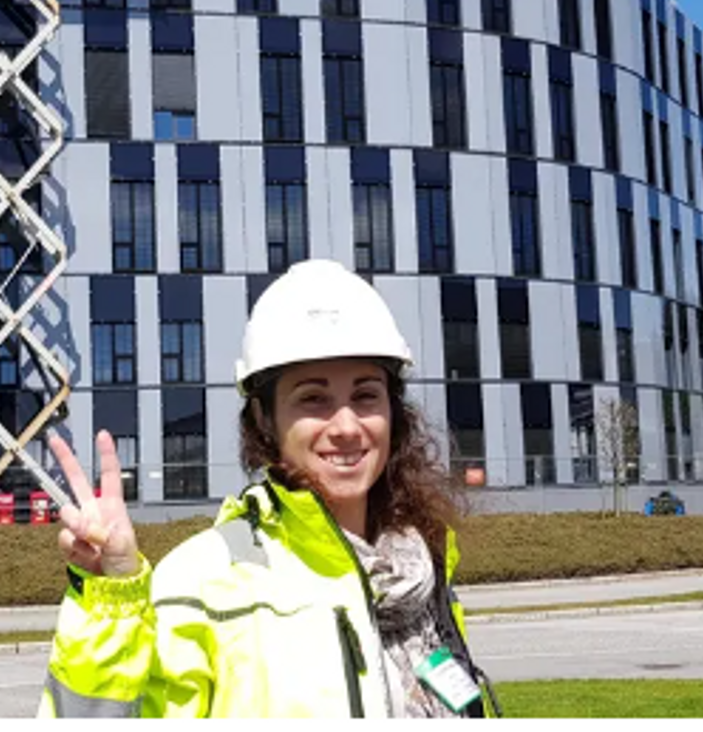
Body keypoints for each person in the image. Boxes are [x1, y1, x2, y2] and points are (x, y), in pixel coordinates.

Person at [38, 259, 497, 719]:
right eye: (313, 398)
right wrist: (111, 609)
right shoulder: (201, 582)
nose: (346, 426)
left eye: (365, 395)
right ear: (264, 419)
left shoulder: (418, 566)